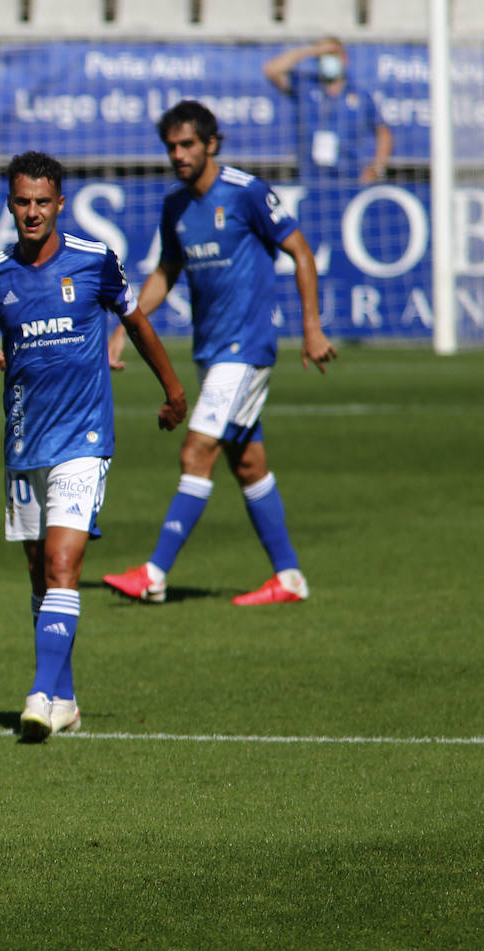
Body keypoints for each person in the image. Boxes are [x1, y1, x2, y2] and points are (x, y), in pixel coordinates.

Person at [0, 151, 187, 744]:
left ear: (60, 204)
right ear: (9, 203)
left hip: (85, 438)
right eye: (22, 201)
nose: (32, 212)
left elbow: (140, 323)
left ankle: (40, 694)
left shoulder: (94, 260)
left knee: (62, 566)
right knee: (37, 574)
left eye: (42, 202)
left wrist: (174, 390)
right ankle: (66, 700)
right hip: (25, 443)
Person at [103, 101, 337, 609]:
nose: (179, 155)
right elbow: (166, 270)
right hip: (212, 352)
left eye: (187, 144)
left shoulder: (248, 192)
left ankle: (154, 573)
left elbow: (300, 250)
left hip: (245, 350)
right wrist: (126, 326)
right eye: (171, 146)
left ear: (211, 144)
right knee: (249, 465)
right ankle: (290, 577)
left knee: (195, 452)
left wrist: (311, 328)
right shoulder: (176, 206)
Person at [262, 37, 393, 186]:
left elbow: (384, 133)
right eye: (323, 57)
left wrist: (376, 169)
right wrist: (313, 51)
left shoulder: (360, 96)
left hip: (351, 177)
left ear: (344, 59)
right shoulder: (306, 86)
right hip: (311, 177)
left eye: (332, 55)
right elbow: (271, 69)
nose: (328, 60)